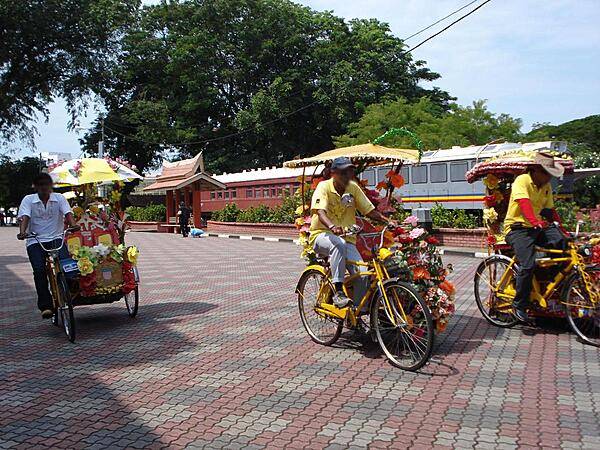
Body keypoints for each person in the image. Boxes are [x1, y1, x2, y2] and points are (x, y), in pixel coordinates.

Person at [309, 157, 397, 308]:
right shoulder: (324, 187)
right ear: (333, 173)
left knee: (362, 273)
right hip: (321, 235)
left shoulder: (353, 188)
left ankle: (356, 313)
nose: (346, 176)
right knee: (338, 243)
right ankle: (338, 292)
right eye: (343, 172)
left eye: (349, 172)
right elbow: (320, 212)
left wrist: (386, 221)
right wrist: (332, 226)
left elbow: (369, 211)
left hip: (347, 239)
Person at [504, 152, 567, 322]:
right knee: (527, 264)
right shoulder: (522, 180)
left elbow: (549, 212)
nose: (549, 178)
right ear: (537, 170)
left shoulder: (546, 187)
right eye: (547, 173)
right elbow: (524, 203)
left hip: (536, 227)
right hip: (517, 229)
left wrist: (562, 229)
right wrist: (534, 221)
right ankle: (519, 305)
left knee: (562, 243)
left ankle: (551, 280)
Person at [17, 173, 79, 319]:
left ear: (51, 186)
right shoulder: (28, 200)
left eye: (46, 184)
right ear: (36, 187)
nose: (44, 188)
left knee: (67, 264)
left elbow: (68, 213)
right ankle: (46, 305)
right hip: (35, 240)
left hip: (56, 237)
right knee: (39, 270)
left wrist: (73, 225)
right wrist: (22, 232)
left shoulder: (59, 198)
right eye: (41, 185)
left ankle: (69, 290)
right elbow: (25, 217)